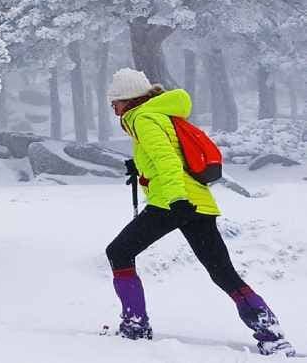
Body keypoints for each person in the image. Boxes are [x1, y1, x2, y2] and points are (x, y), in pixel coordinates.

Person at [104, 67, 296, 358]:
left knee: (118, 251)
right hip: (200, 204)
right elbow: (171, 157)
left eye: (114, 102)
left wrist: (177, 200)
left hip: (172, 203)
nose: (113, 108)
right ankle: (271, 334)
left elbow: (167, 161)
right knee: (222, 272)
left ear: (128, 100)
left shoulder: (143, 118)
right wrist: (141, 169)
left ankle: (135, 324)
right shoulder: (162, 114)